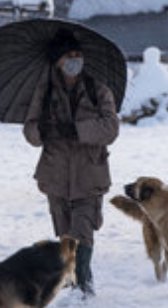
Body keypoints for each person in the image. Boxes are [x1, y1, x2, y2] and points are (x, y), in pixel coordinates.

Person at [23, 28, 120, 297]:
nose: (75, 60)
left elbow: (111, 128)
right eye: (69, 55)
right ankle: (77, 283)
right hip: (55, 175)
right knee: (66, 237)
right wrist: (41, 129)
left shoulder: (97, 89)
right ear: (58, 60)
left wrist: (78, 130)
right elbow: (29, 132)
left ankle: (81, 288)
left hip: (90, 174)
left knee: (82, 232)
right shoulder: (43, 94)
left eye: (78, 54)